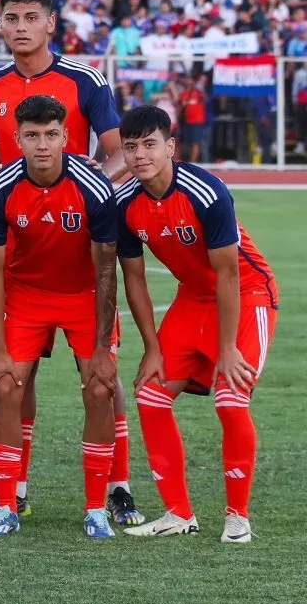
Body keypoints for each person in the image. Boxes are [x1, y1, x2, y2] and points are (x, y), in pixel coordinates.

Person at [0, 0, 144, 527]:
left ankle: (118, 487)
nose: (20, 27)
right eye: (10, 17)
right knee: (17, 378)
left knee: (101, 377)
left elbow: (116, 153)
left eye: (30, 17)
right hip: (22, 250)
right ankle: (12, 492)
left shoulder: (84, 80)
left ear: (50, 23)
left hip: (80, 241)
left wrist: (85, 193)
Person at [117, 106, 279, 543]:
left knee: (230, 399)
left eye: (149, 144)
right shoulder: (126, 204)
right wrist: (152, 348)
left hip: (248, 294)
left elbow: (229, 274)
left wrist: (228, 349)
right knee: (150, 396)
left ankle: (237, 517)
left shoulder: (206, 191)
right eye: (130, 147)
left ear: (169, 147)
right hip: (193, 298)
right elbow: (133, 278)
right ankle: (178, 513)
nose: (139, 155)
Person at [0, 95, 119, 539]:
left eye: (51, 135)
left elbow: (107, 268)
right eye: (32, 136)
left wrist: (100, 347)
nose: (42, 145)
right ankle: (6, 506)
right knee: (4, 386)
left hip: (83, 295)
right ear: (17, 138)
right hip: (27, 296)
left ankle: (96, 508)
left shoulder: (94, 188)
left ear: (67, 137)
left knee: (100, 387)